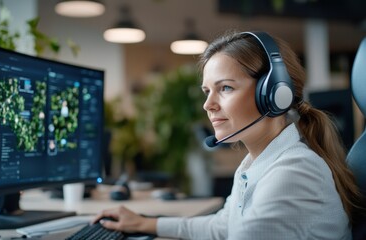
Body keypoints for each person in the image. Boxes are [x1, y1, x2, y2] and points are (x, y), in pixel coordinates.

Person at [92, 30, 362, 239]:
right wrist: (146, 223)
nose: (207, 105)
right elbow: (224, 227)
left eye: (225, 88)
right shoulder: (256, 165)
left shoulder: (293, 173)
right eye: (207, 91)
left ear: (274, 94)